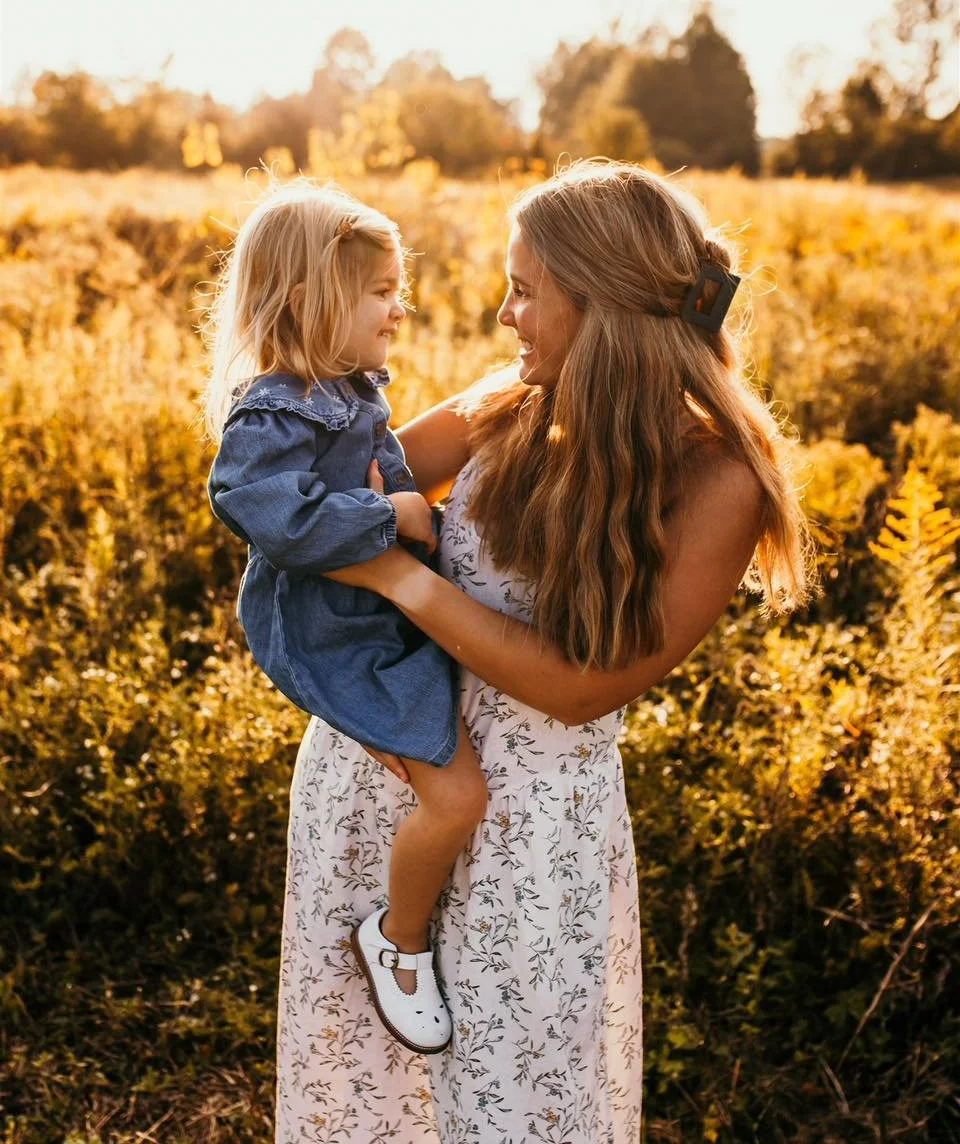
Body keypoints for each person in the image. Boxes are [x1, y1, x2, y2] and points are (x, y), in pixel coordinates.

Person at [273, 159, 814, 1143]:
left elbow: (577, 688)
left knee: (519, 1105)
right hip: (385, 775)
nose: (503, 313)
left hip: (535, 831)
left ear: (600, 307)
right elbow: (330, 483)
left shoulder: (720, 479)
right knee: (362, 1092)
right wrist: (306, 321)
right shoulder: (509, 404)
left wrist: (397, 576)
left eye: (524, 289)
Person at [202, 177, 494, 1056]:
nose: (399, 311)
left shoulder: (355, 390)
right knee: (458, 797)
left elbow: (392, 472)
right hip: (334, 630)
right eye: (379, 292)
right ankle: (398, 942)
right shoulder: (275, 407)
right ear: (308, 302)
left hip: (377, 611)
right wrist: (392, 520)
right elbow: (260, 508)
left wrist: (429, 530)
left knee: (456, 763)